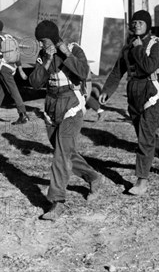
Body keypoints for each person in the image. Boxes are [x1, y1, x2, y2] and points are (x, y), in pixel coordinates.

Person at [99, 11, 159, 195]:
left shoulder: (155, 44)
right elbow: (118, 71)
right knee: (146, 134)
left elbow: (149, 67)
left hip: (152, 93)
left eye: (141, 22)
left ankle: (142, 181)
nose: (136, 25)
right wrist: (107, 90)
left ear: (148, 25)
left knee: (145, 138)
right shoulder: (127, 47)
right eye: (134, 22)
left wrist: (138, 48)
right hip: (134, 94)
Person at [29, 20, 102, 220]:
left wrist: (65, 54)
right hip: (51, 104)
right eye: (40, 42)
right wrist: (45, 60)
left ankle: (56, 201)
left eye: (44, 40)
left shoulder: (73, 49)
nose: (42, 45)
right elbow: (35, 82)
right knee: (64, 152)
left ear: (52, 37)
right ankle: (93, 177)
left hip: (72, 104)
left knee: (60, 155)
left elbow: (85, 73)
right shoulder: (43, 55)